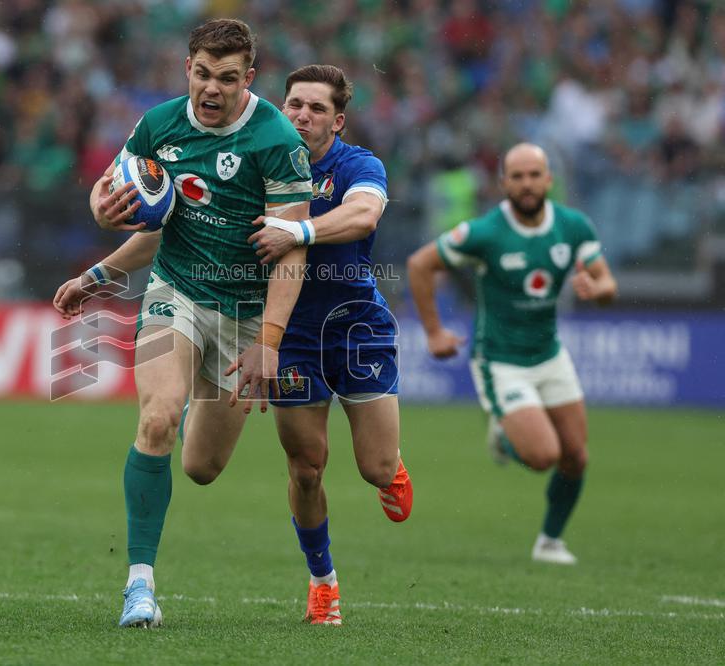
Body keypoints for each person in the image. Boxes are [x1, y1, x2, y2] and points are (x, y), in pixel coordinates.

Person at [55, 19, 312, 628]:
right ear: (186, 70)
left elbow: (293, 251)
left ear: (248, 78)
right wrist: (102, 226)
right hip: (177, 291)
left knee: (200, 468)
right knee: (156, 418)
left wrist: (269, 342)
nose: (212, 89)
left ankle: (202, 396)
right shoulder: (158, 124)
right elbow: (114, 197)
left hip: (247, 316)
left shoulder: (276, 139)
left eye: (227, 78)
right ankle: (139, 585)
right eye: (202, 74)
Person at [242, 64, 413, 626]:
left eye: (316, 108)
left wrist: (299, 230)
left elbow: (364, 215)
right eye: (293, 103)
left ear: (336, 121)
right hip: (289, 337)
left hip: (356, 327)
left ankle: (393, 471)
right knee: (307, 468)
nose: (301, 115)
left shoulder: (357, 165)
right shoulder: (255, 166)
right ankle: (323, 581)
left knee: (376, 468)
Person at [407, 142, 617, 564]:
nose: (526, 184)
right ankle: (503, 436)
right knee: (544, 456)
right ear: (503, 183)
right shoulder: (485, 233)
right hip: (501, 361)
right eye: (517, 176)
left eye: (534, 175)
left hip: (549, 355)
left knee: (576, 455)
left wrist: (598, 291)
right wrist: (433, 332)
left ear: (549, 180)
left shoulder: (573, 226)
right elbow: (419, 264)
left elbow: (608, 285)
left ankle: (550, 542)